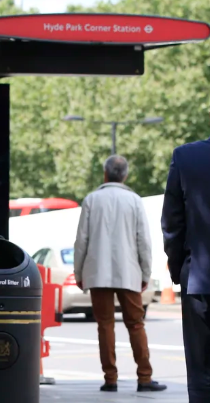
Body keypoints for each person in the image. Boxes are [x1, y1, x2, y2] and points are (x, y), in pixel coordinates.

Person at [73, 155, 166, 393]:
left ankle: (110, 379)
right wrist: (146, 272)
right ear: (125, 175)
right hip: (129, 272)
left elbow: (81, 240)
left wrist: (79, 272)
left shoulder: (91, 200)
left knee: (105, 325)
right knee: (136, 324)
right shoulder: (134, 200)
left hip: (98, 272)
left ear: (105, 174)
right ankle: (144, 378)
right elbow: (143, 241)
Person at [161, 137, 210, 402]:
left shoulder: (186, 157)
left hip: (200, 276)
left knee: (200, 369)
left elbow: (172, 222)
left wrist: (178, 269)